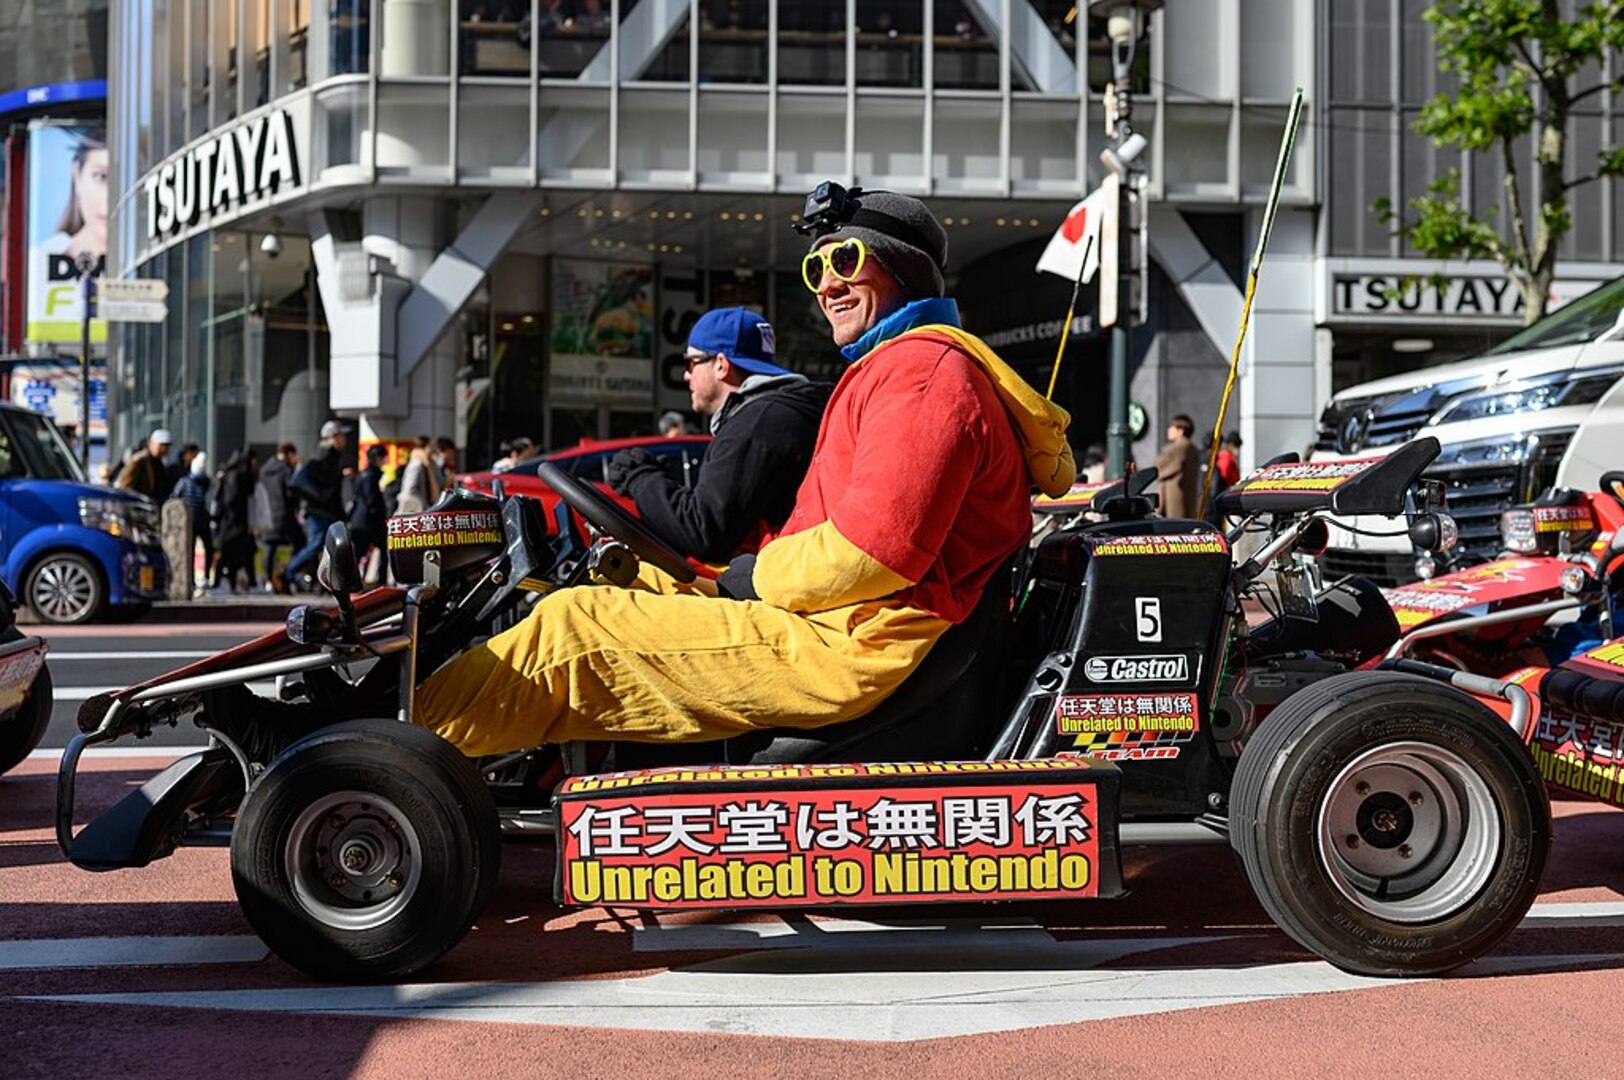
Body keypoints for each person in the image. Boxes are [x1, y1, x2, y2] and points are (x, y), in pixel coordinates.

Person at [405, 184, 1074, 756]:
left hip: (856, 645)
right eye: (816, 268)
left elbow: (875, 556)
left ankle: (396, 752)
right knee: (614, 590)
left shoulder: (922, 376)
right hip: (844, 623)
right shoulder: (901, 368)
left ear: (906, 271)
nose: (829, 283)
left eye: (846, 259)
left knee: (572, 630)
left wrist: (752, 577)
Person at [605, 307, 831, 563]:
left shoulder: (755, 425)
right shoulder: (794, 410)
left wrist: (639, 476)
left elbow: (704, 532)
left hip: (784, 588)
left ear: (722, 365)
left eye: (691, 362)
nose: (686, 375)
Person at [285, 420, 351, 588]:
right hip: (320, 510)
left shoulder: (330, 455)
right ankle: (288, 574)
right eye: (342, 435)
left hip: (325, 510)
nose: (345, 439)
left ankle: (322, 583)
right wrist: (322, 495)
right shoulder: (324, 455)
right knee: (316, 546)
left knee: (327, 547)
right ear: (334, 437)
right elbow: (303, 480)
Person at [257, 443, 301, 593]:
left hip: (267, 513)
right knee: (301, 543)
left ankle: (268, 580)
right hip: (284, 514)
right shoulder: (286, 469)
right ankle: (287, 574)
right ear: (289, 454)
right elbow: (291, 492)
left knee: (270, 546)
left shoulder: (264, 470)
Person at [213, 448, 259, 592]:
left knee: (231, 555)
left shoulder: (229, 475)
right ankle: (227, 583)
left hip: (231, 523)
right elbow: (232, 500)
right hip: (234, 522)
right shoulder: (237, 476)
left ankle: (227, 583)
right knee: (233, 555)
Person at [169, 452, 213, 595]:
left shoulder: (185, 481)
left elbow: (174, 497)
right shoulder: (206, 482)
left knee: (192, 550)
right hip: (198, 520)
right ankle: (199, 578)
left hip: (192, 520)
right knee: (202, 549)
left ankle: (195, 579)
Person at [349, 444, 390, 580]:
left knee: (359, 553)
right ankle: (381, 580)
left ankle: (349, 581)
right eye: (383, 457)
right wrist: (380, 513)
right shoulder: (371, 476)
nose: (385, 461)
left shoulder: (364, 474)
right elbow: (371, 499)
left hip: (362, 520)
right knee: (381, 551)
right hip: (369, 521)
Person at [1155, 413, 1201, 519]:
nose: (1169, 430)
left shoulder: (1175, 449)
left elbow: (1158, 468)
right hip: (1188, 502)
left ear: (1181, 430)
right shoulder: (1192, 449)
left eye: (1172, 427)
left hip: (1173, 502)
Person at [116, 429, 173, 503]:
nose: (164, 449)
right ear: (151, 443)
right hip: (138, 504)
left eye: (167, 446)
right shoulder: (139, 460)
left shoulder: (159, 463)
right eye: (162, 445)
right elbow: (125, 483)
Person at [396, 436, 440, 514]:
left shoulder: (428, 463)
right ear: (425, 447)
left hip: (422, 508)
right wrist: (420, 507)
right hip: (414, 510)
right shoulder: (417, 463)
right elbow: (409, 489)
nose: (434, 449)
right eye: (431, 446)